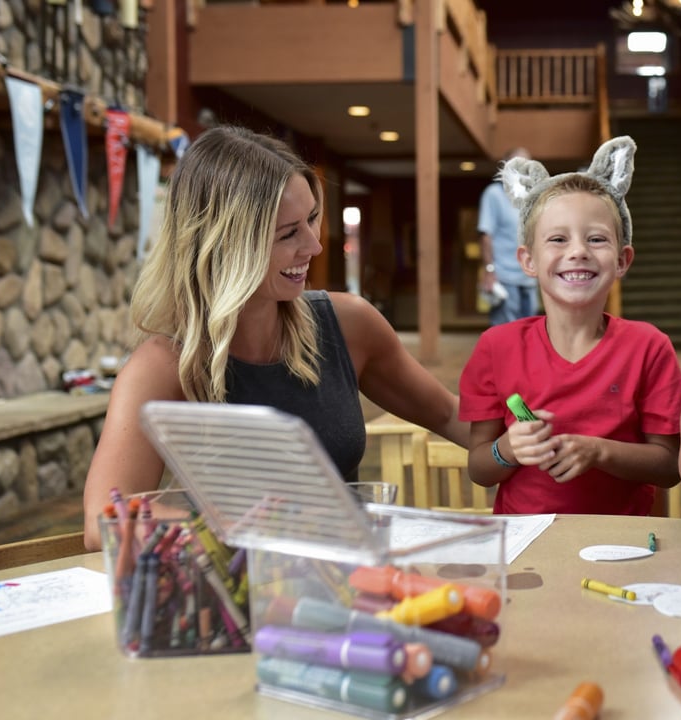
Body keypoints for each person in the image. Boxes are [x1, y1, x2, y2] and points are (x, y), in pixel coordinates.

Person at [81, 125, 469, 550]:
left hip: (343, 592)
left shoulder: (349, 324)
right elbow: (105, 522)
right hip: (238, 603)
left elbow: (450, 416)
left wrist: (533, 434)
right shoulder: (162, 366)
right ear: (225, 241)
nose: (314, 247)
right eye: (288, 233)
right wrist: (266, 522)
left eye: (312, 220)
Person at [459, 136, 681, 514]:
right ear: (528, 260)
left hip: (625, 547)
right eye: (558, 239)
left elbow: (669, 466)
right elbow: (479, 468)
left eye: (596, 238)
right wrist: (508, 449)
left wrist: (598, 451)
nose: (578, 251)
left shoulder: (649, 346)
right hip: (525, 548)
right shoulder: (495, 347)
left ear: (622, 260)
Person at [478, 147, 541, 325]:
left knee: (530, 332)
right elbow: (485, 235)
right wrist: (489, 271)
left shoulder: (531, 198)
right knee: (506, 334)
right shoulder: (493, 194)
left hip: (529, 278)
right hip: (504, 278)